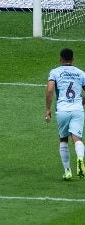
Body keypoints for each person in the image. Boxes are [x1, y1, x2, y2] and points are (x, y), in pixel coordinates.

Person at [45, 48, 85, 180]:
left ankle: (67, 171)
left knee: (63, 139)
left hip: (62, 110)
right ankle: (80, 158)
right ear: (73, 60)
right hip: (77, 109)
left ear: (60, 59)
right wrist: (81, 102)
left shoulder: (55, 72)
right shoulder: (81, 73)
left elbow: (50, 90)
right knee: (77, 139)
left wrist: (48, 109)